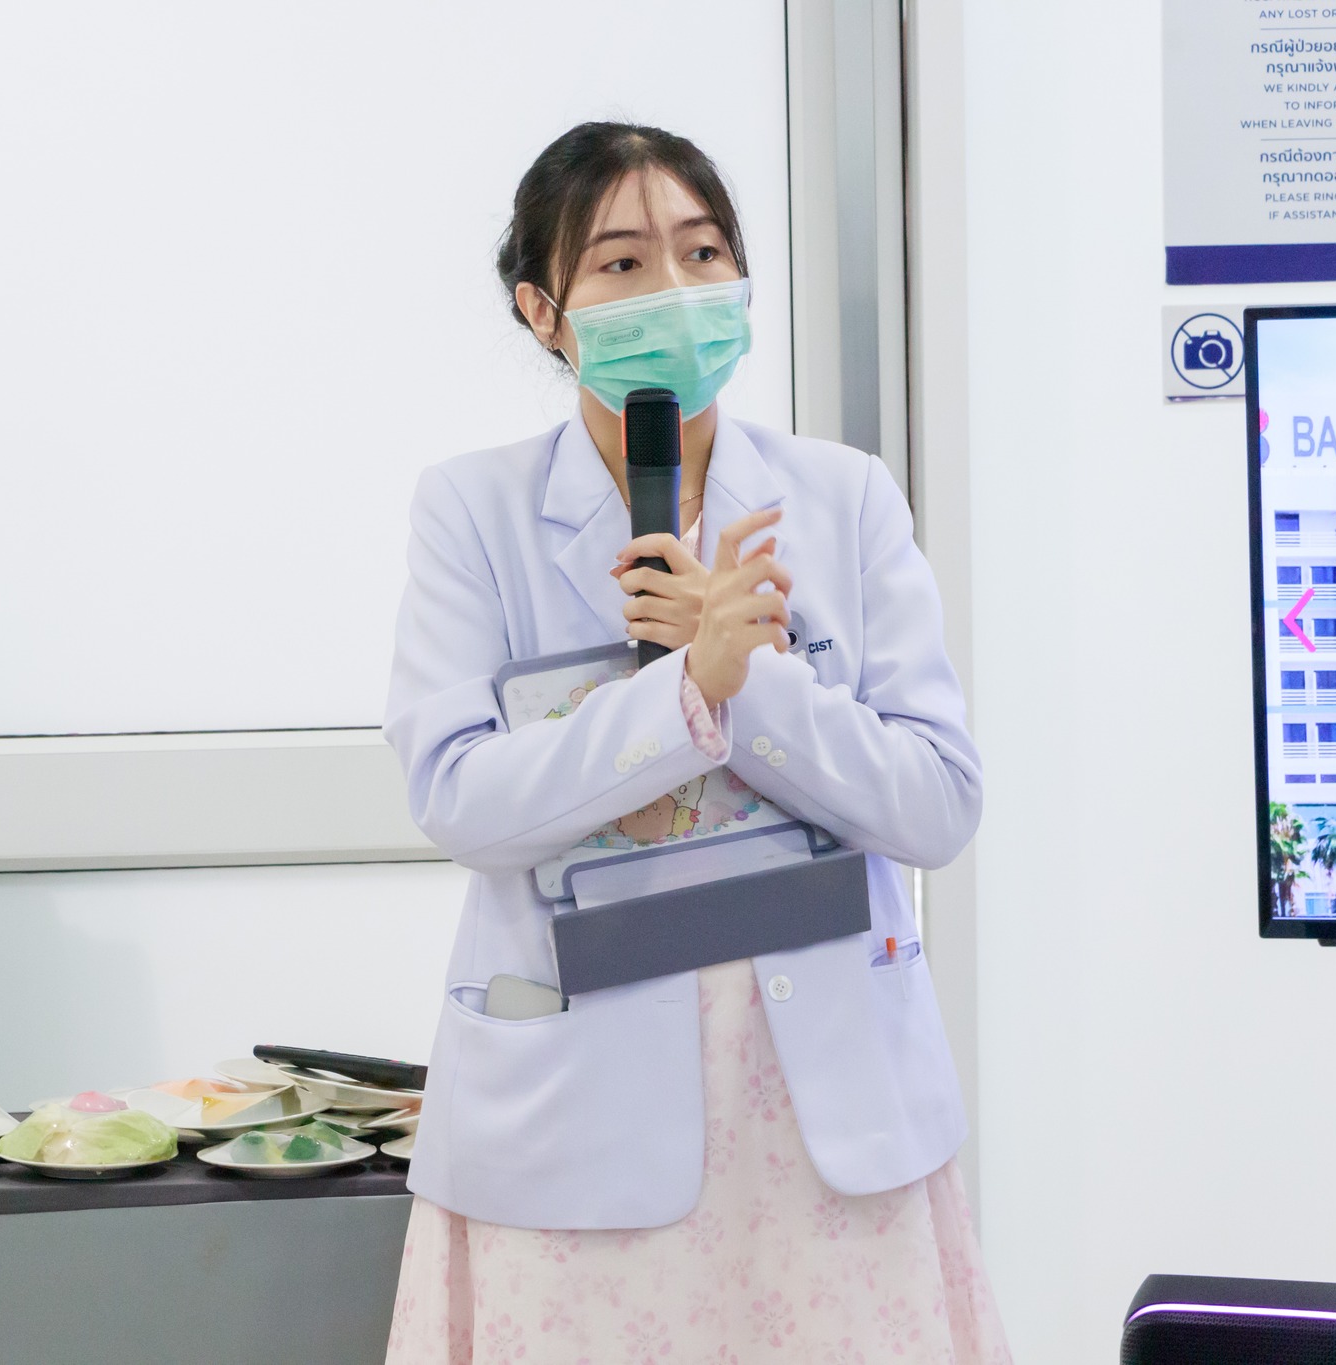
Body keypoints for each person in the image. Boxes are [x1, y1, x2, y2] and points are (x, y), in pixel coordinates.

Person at [382, 120, 1010, 1364]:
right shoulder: (474, 512)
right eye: (620, 263)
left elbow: (936, 804)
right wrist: (681, 696)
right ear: (541, 312)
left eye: (702, 251)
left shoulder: (844, 497)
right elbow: (461, 799)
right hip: (573, 1127)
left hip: (829, 1122)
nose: (672, 289)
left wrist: (751, 686)